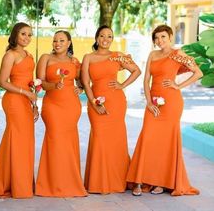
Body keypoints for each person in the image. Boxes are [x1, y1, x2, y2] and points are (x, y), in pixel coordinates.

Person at [126, 25, 203, 196]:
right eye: (157, 38)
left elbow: (198, 73)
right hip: (152, 102)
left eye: (163, 37)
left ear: (170, 37)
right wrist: (148, 102)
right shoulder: (153, 54)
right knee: (147, 138)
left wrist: (178, 85)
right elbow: (146, 80)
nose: (159, 41)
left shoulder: (178, 54)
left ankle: (160, 183)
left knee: (166, 143)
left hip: (171, 103)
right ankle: (139, 180)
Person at [0, 22, 37, 198]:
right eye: (23, 34)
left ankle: (19, 182)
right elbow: (2, 82)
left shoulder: (28, 55)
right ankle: (15, 185)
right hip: (14, 100)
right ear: (15, 35)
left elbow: (31, 83)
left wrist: (35, 105)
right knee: (18, 140)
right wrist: (24, 92)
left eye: (29, 34)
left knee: (25, 142)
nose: (27, 38)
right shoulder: (10, 55)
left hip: (26, 101)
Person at [81, 25, 141, 194]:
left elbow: (136, 71)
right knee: (100, 138)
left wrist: (122, 84)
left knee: (117, 141)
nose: (105, 39)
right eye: (102, 36)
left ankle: (119, 180)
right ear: (96, 38)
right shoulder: (88, 58)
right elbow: (86, 83)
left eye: (109, 36)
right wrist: (94, 102)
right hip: (96, 102)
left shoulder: (117, 56)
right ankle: (99, 182)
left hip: (116, 102)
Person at [35, 30, 87, 197]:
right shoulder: (45, 58)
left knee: (68, 143)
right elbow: (40, 82)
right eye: (55, 40)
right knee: (55, 140)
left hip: (71, 106)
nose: (57, 43)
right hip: (52, 106)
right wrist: (53, 86)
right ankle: (50, 185)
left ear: (69, 42)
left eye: (62, 40)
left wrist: (81, 87)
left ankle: (70, 183)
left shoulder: (74, 61)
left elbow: (83, 80)